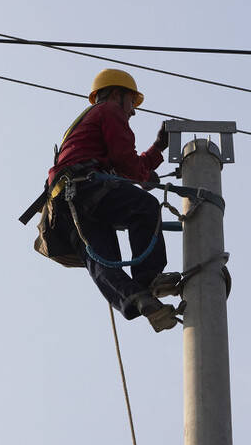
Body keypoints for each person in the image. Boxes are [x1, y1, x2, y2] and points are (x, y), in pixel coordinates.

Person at [47, 69, 182, 331]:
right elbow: (127, 164)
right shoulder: (109, 111)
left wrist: (156, 150)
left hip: (65, 203)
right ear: (117, 95)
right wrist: (144, 172)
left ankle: (139, 299)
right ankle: (149, 280)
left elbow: (125, 168)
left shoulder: (84, 125)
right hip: (86, 187)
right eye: (132, 102)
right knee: (145, 207)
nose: (133, 111)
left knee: (101, 259)